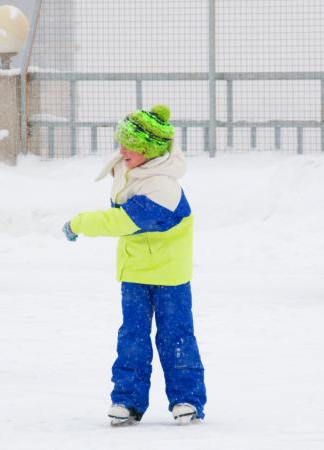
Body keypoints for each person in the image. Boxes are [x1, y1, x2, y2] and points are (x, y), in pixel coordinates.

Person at [63, 104, 206, 426]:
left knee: (177, 337)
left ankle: (187, 399)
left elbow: (125, 220)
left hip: (169, 275)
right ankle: (127, 400)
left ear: (150, 151)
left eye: (131, 145)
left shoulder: (163, 186)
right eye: (122, 142)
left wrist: (80, 222)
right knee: (132, 337)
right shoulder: (129, 170)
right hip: (136, 272)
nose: (122, 150)